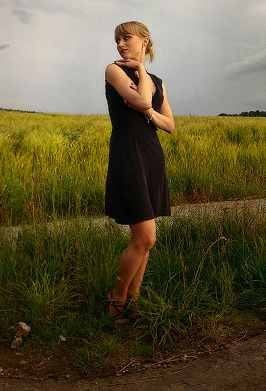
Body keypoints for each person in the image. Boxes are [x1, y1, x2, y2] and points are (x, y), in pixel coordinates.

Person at [103, 21, 175, 324]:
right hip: (128, 152)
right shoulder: (113, 70)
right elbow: (144, 101)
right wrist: (148, 109)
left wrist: (144, 75)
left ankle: (135, 297)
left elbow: (170, 125)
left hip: (151, 154)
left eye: (126, 37)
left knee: (150, 238)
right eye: (117, 39)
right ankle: (117, 298)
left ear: (144, 41)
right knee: (143, 237)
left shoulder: (156, 78)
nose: (120, 44)